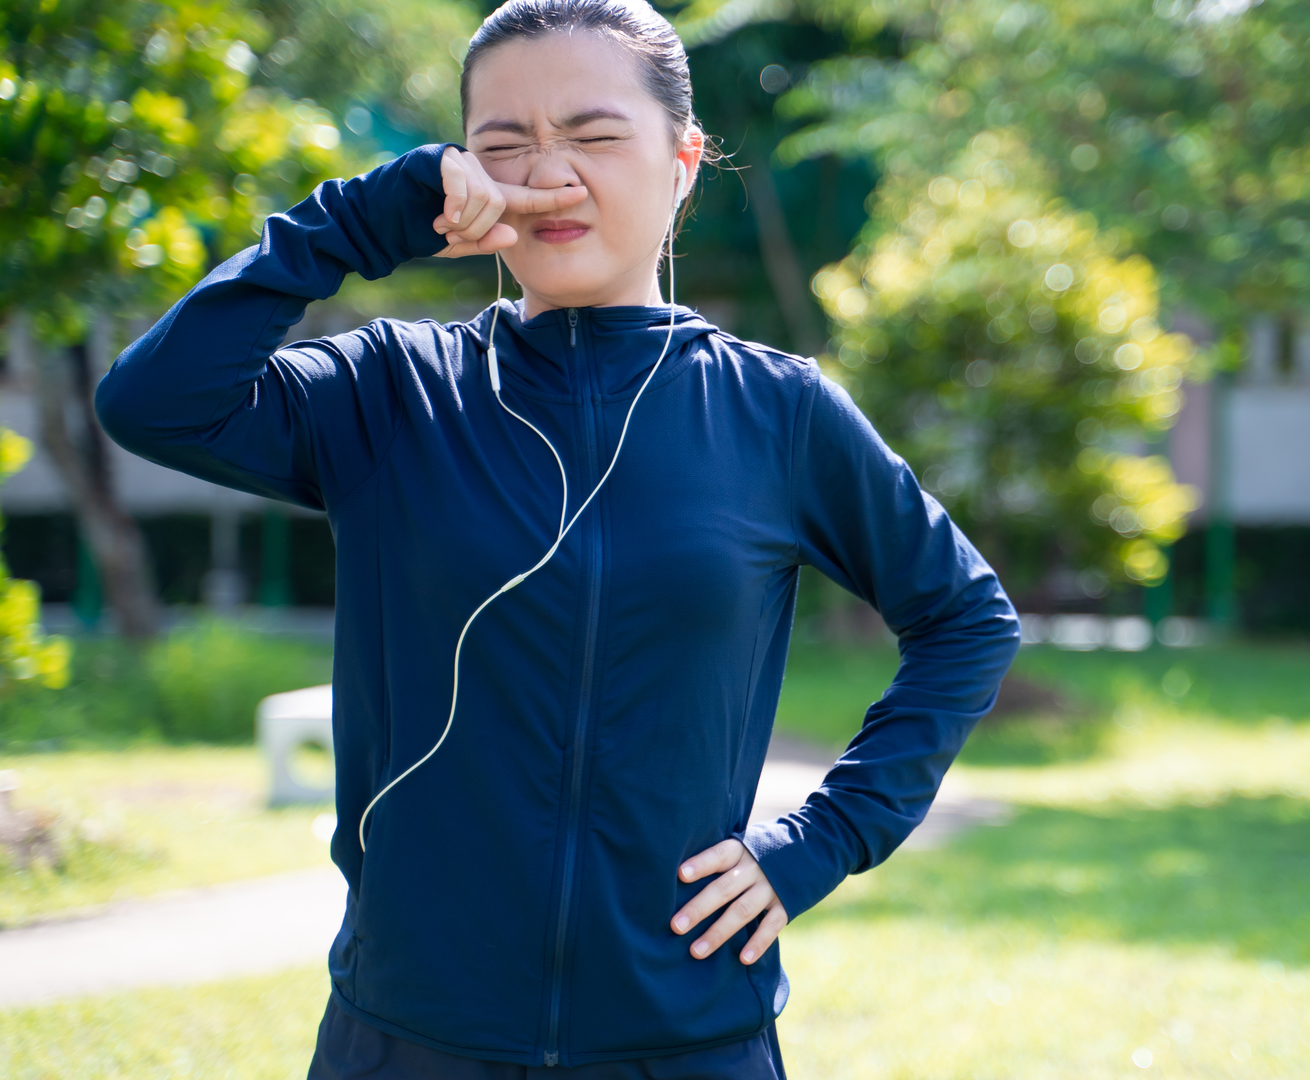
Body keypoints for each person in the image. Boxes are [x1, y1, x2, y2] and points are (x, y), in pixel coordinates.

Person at [96, 0, 1018, 1075]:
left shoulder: (780, 413)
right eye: (504, 145)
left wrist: (822, 841)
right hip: (411, 1032)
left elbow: (965, 620)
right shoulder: (392, 391)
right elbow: (155, 402)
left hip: (686, 1035)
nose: (550, 175)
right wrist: (349, 227)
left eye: (591, 136)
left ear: (683, 160)